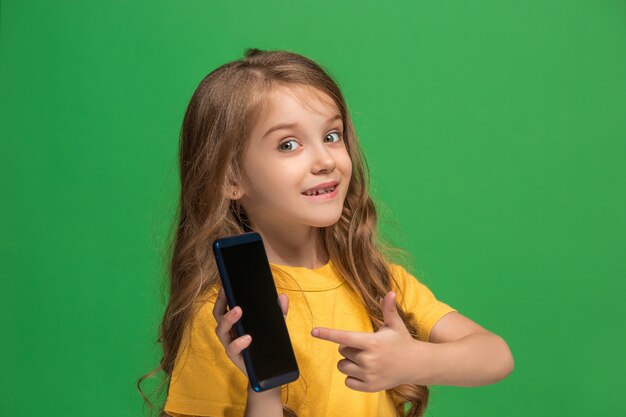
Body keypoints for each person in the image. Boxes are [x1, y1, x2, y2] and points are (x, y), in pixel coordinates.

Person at [137, 48, 514, 417]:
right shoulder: (224, 317)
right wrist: (264, 385)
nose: (325, 160)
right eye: (289, 144)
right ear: (231, 178)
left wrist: (414, 360)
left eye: (332, 136)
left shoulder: (374, 279)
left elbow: (495, 355)